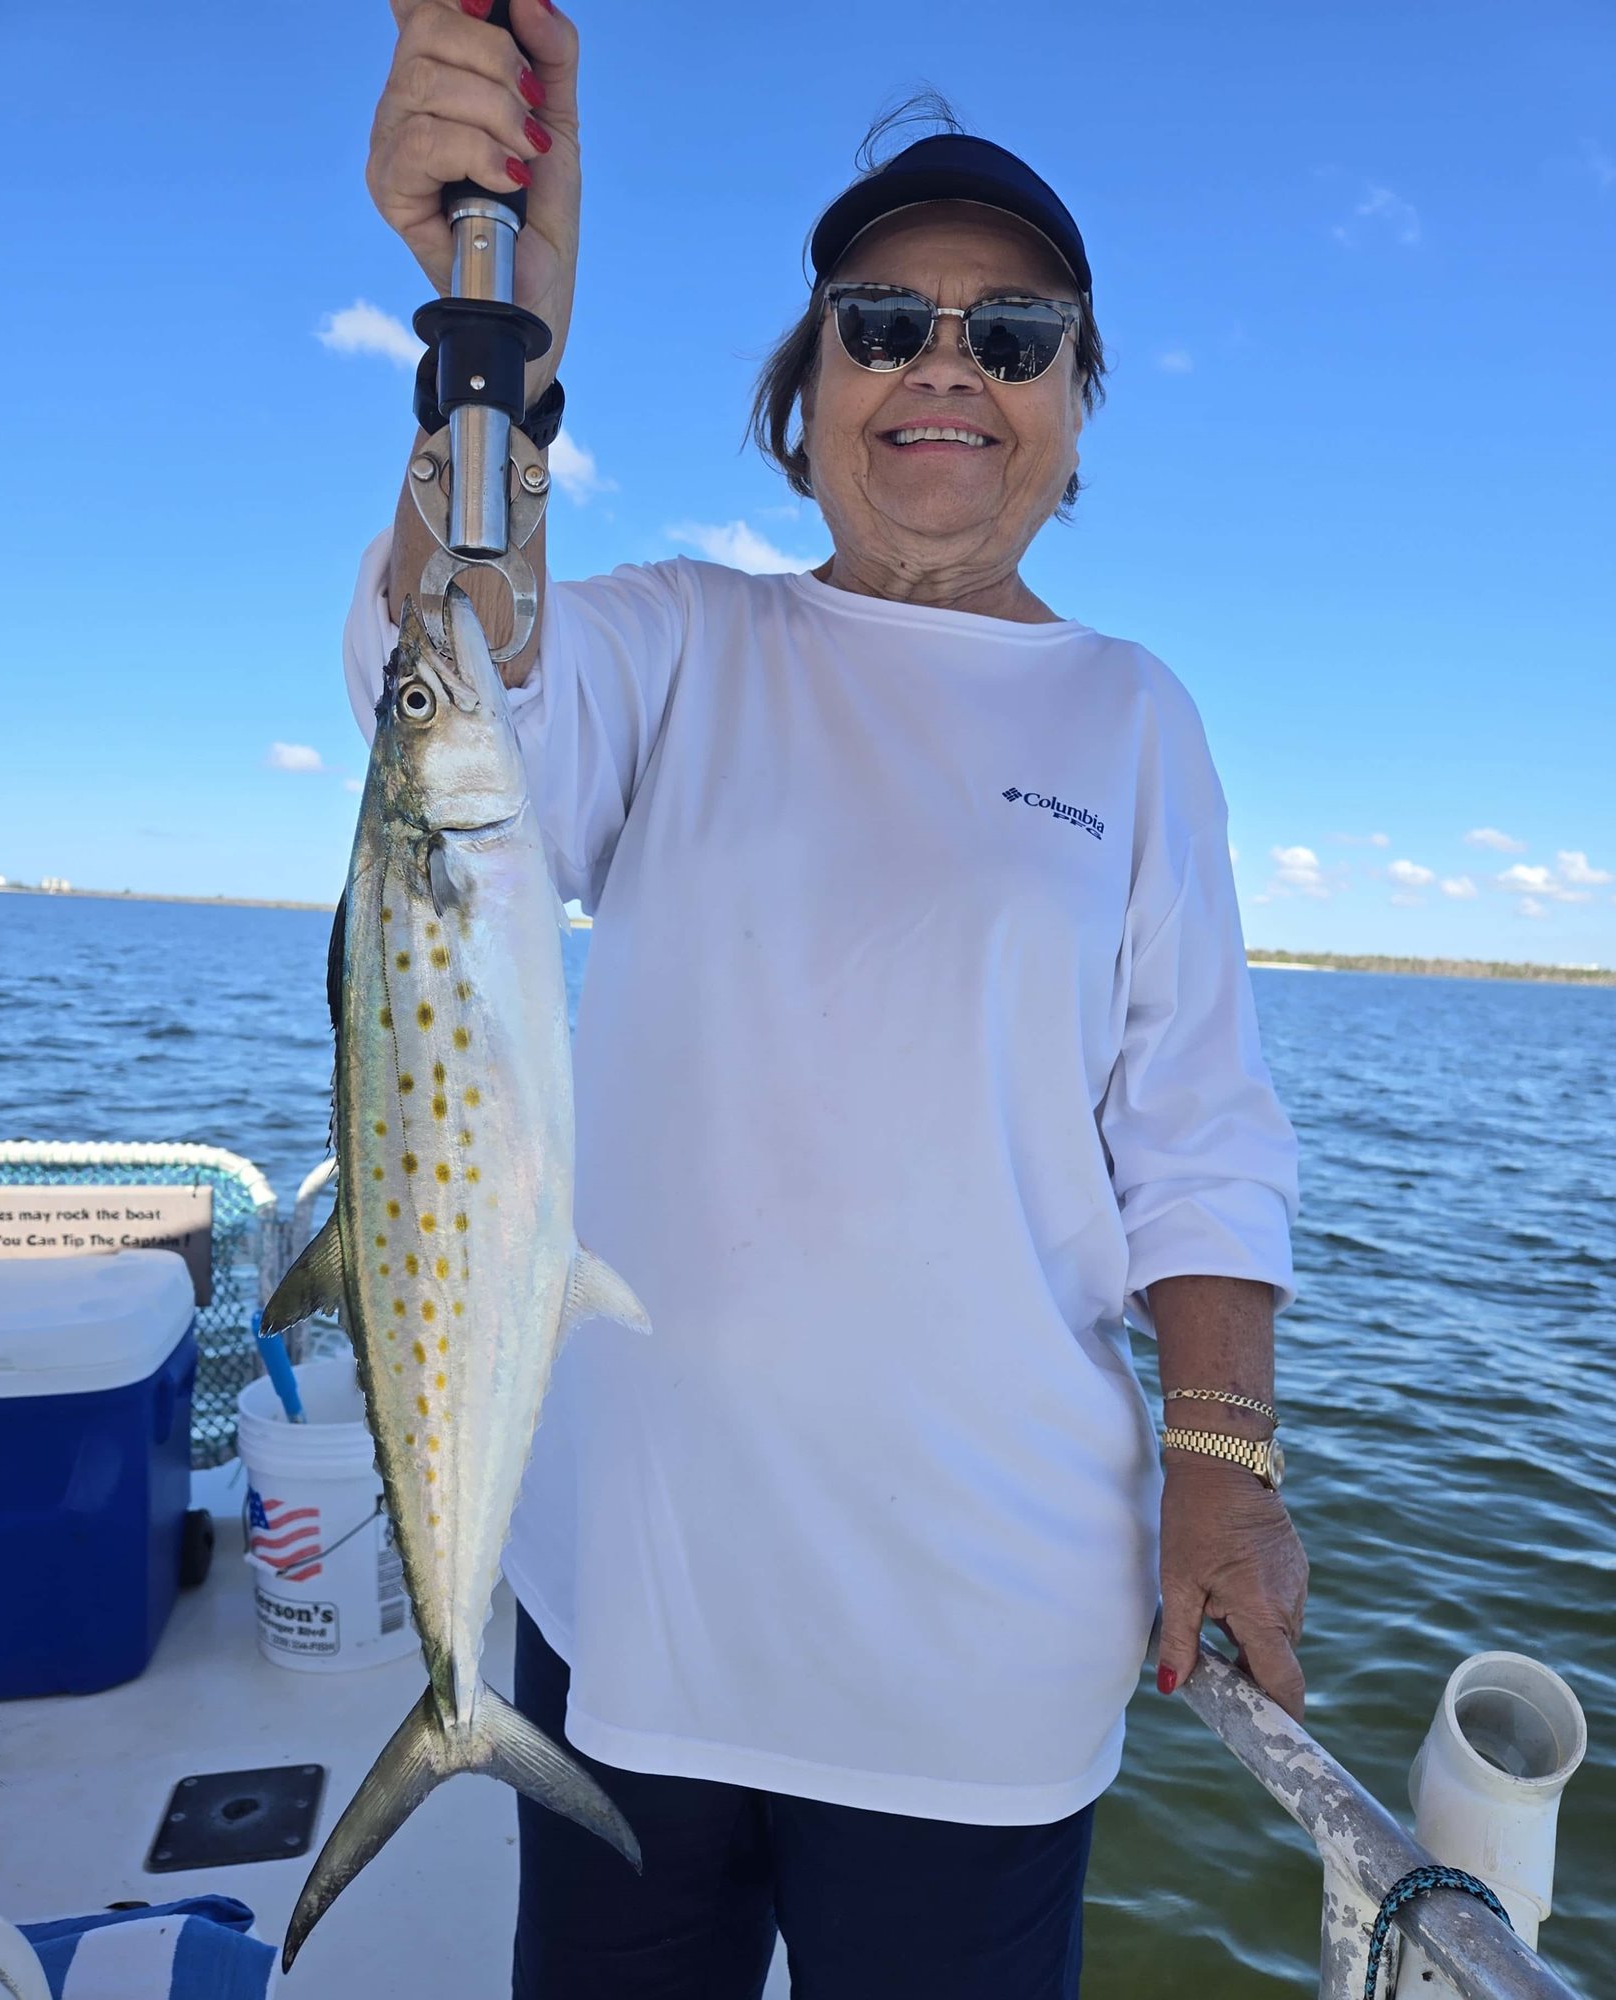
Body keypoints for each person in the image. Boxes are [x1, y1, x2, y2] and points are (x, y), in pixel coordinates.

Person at [351, 5, 1308, 1995]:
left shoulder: (1132, 719)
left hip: (974, 1655)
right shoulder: (683, 643)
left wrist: (1221, 1468)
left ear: (1069, 407)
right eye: (881, 324)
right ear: (805, 401)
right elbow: (457, 660)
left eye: (1010, 333)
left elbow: (1195, 1134)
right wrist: (495, 359)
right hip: (624, 1617)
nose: (943, 364)